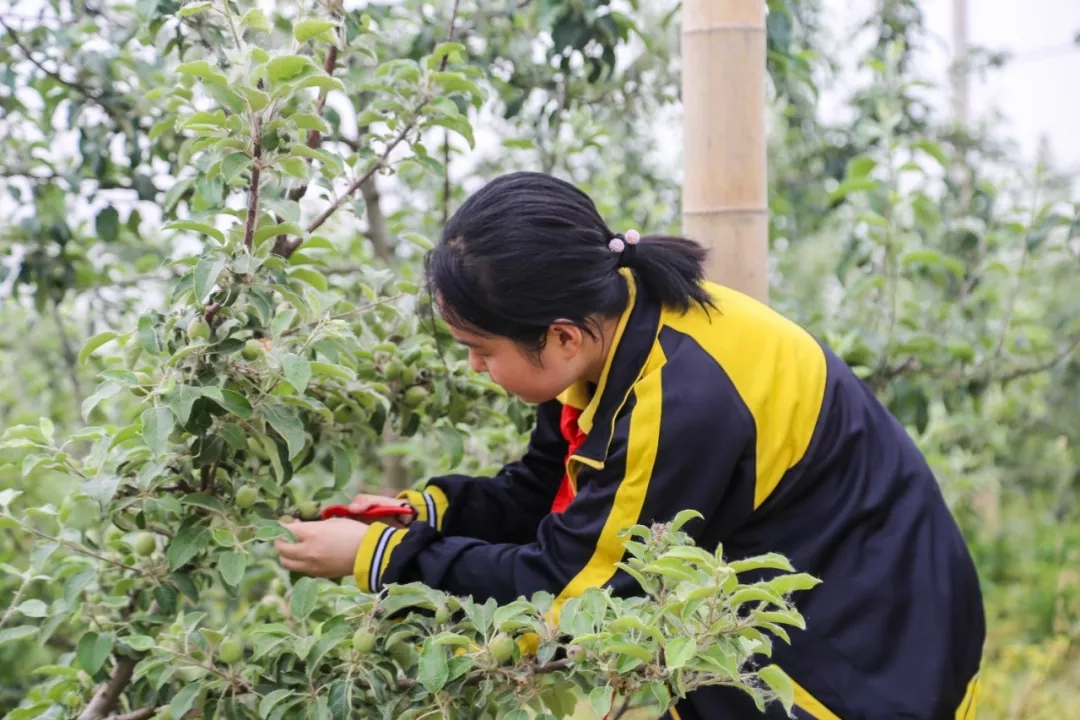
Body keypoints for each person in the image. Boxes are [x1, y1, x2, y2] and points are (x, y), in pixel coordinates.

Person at [274, 171, 985, 720]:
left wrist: (380, 564)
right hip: (843, 600)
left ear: (560, 336)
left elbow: (571, 594)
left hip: (862, 651)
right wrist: (420, 514)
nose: (473, 370)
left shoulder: (678, 399)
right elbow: (545, 493)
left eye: (479, 349)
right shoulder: (613, 335)